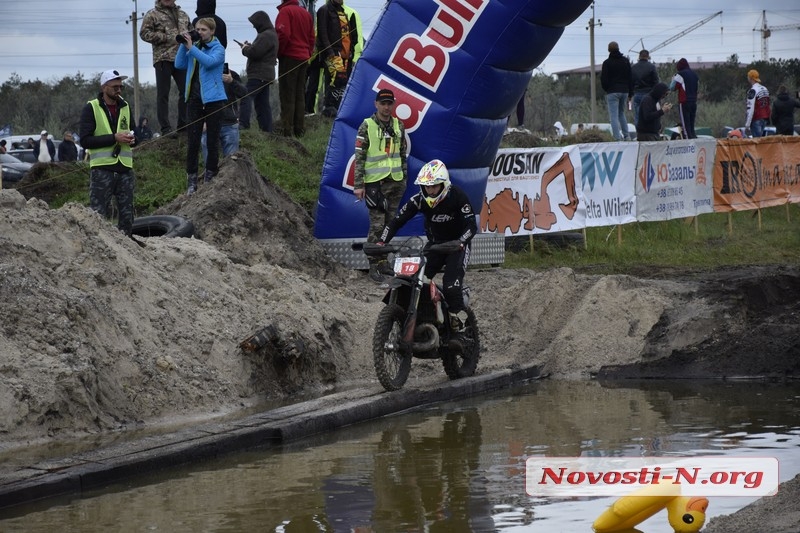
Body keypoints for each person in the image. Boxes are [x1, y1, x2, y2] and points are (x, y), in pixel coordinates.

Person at [377, 159, 478, 330]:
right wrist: (381, 242)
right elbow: (396, 221)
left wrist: (461, 241)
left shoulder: (458, 196)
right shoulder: (418, 200)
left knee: (451, 286)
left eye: (434, 186)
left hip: (457, 247)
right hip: (435, 246)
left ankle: (458, 321)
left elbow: (471, 225)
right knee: (416, 281)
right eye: (426, 186)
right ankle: (424, 315)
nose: (430, 190)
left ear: (443, 184)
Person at [353, 89, 408, 283]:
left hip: (396, 181)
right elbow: (359, 157)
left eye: (389, 103)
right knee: (377, 227)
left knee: (389, 226)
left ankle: (384, 261)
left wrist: (404, 179)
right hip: (375, 183)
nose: (386, 107)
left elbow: (402, 154)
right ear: (376, 104)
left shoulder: (398, 125)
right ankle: (373, 265)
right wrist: (359, 185)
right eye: (383, 103)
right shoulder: (366, 125)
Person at [78, 69, 137, 236]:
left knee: (127, 214)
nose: (119, 90)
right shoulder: (91, 108)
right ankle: (99, 244)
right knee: (98, 214)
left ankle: (126, 245)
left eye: (121, 87)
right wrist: (114, 138)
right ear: (104, 87)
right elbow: (85, 140)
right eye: (115, 86)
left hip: (124, 168)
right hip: (102, 169)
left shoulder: (125, 107)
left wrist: (133, 139)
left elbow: (133, 131)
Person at [175, 17, 226, 194]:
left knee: (212, 140)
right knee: (193, 141)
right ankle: (191, 181)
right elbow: (179, 64)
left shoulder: (219, 49)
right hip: (194, 99)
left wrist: (192, 49)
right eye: (197, 29)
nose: (200, 32)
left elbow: (209, 62)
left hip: (213, 99)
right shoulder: (194, 47)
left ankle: (210, 176)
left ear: (212, 31)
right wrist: (184, 44)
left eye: (204, 29)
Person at [139, 0, 191, 137]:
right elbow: (144, 33)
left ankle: (183, 125)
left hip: (182, 58)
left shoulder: (183, 15)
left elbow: (191, 32)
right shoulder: (152, 14)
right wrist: (164, 37)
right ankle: (166, 128)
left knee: (186, 91)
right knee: (163, 94)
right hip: (163, 58)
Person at [275, 0, 315, 137]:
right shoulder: (306, 13)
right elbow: (312, 37)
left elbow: (283, 34)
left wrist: (279, 53)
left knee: (287, 94)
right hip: (303, 57)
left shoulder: (285, 12)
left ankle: (287, 129)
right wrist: (308, 53)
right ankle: (299, 129)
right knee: (299, 94)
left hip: (289, 56)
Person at [316, 0, 361, 117]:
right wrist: (329, 51)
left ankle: (338, 109)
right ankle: (328, 109)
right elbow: (322, 33)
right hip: (332, 53)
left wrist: (351, 50)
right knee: (335, 79)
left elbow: (350, 34)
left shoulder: (343, 12)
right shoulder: (324, 10)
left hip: (346, 55)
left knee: (343, 83)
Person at [238, 11, 278, 132]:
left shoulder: (265, 35)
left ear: (260, 22)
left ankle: (243, 124)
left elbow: (254, 53)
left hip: (259, 74)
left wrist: (245, 49)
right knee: (262, 104)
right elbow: (260, 50)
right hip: (265, 75)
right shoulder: (270, 34)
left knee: (246, 96)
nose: (253, 26)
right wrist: (250, 47)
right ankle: (267, 130)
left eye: (254, 23)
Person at [202, 69, 247, 163]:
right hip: (209, 124)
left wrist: (232, 81)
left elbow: (243, 93)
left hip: (230, 124)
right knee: (209, 165)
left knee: (232, 164)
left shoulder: (231, 74)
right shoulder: (202, 73)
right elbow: (194, 100)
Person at [600, 41, 633, 141]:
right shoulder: (625, 61)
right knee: (621, 113)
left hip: (612, 91)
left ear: (609, 50)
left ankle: (617, 138)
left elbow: (604, 79)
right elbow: (630, 77)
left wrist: (607, 89)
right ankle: (627, 136)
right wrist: (630, 93)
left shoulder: (607, 63)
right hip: (624, 91)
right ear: (618, 48)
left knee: (613, 116)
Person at [669, 58, 699, 139]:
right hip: (694, 102)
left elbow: (672, 87)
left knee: (685, 125)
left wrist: (673, 79)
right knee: (692, 124)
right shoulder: (694, 74)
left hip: (684, 101)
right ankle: (694, 139)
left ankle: (687, 140)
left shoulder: (680, 74)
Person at [631, 50, 659, 127]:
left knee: (637, 116)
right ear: (648, 56)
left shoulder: (633, 67)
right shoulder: (652, 67)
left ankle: (639, 133)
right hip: (648, 94)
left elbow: (631, 82)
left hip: (637, 94)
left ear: (639, 56)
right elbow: (656, 81)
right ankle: (648, 133)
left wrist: (631, 94)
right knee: (649, 115)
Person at [745, 69, 770, 138]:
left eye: (748, 76)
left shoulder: (752, 90)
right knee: (761, 141)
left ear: (751, 78)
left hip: (756, 118)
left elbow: (750, 108)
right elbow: (768, 105)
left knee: (757, 142)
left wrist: (747, 124)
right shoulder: (765, 89)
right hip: (764, 118)